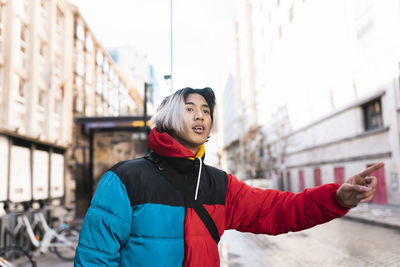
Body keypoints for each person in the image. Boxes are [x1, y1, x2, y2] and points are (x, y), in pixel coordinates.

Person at [74, 87, 383, 267]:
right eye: (190, 108)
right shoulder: (124, 179)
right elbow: (94, 258)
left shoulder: (219, 184)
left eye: (206, 111)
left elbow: (279, 210)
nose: (200, 115)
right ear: (168, 118)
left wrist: (336, 198)